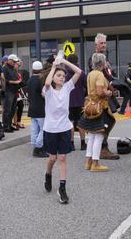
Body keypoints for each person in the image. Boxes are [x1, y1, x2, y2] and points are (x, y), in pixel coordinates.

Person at [42, 56, 82, 204]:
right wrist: (54, 67)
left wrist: (63, 61)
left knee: (62, 158)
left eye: (64, 76)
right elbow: (47, 82)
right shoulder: (48, 90)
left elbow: (79, 72)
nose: (62, 78)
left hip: (64, 128)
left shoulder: (67, 87)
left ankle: (62, 188)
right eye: (59, 76)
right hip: (50, 129)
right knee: (52, 158)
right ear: (53, 77)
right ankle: (48, 174)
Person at [79, 52, 113, 172]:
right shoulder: (99, 74)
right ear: (102, 63)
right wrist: (108, 92)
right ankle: (95, 163)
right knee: (99, 135)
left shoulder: (90, 74)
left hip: (90, 105)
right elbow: (99, 92)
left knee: (92, 135)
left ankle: (88, 161)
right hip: (99, 107)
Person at [89, 33, 120, 160]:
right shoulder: (95, 59)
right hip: (101, 97)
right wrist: (108, 89)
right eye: (101, 43)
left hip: (108, 94)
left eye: (104, 43)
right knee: (106, 121)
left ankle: (99, 148)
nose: (103, 45)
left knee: (108, 121)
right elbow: (97, 77)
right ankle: (102, 148)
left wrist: (117, 85)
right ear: (96, 44)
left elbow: (109, 75)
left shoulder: (105, 58)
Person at [66, 54, 87, 151]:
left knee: (70, 122)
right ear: (77, 60)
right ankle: (83, 143)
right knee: (81, 122)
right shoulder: (81, 73)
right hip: (80, 100)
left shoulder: (65, 73)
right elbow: (86, 84)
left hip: (69, 101)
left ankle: (71, 143)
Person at [28, 61, 47, 158]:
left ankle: (35, 145)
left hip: (31, 108)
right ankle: (39, 148)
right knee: (43, 129)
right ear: (41, 70)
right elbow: (44, 94)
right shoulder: (40, 80)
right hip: (40, 108)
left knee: (34, 129)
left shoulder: (30, 80)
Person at [2, 54, 21, 133]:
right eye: (13, 61)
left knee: (13, 109)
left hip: (14, 91)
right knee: (7, 109)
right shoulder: (4, 68)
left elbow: (16, 77)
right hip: (8, 91)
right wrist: (13, 82)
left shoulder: (13, 68)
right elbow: (3, 80)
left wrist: (19, 82)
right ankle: (6, 126)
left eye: (15, 61)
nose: (14, 63)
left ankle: (9, 125)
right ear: (9, 60)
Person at [14, 60, 26, 130]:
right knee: (13, 108)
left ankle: (18, 122)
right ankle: (14, 122)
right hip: (13, 92)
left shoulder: (18, 73)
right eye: (17, 65)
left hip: (18, 93)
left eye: (19, 66)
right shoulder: (12, 72)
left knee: (21, 105)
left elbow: (21, 82)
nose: (18, 66)